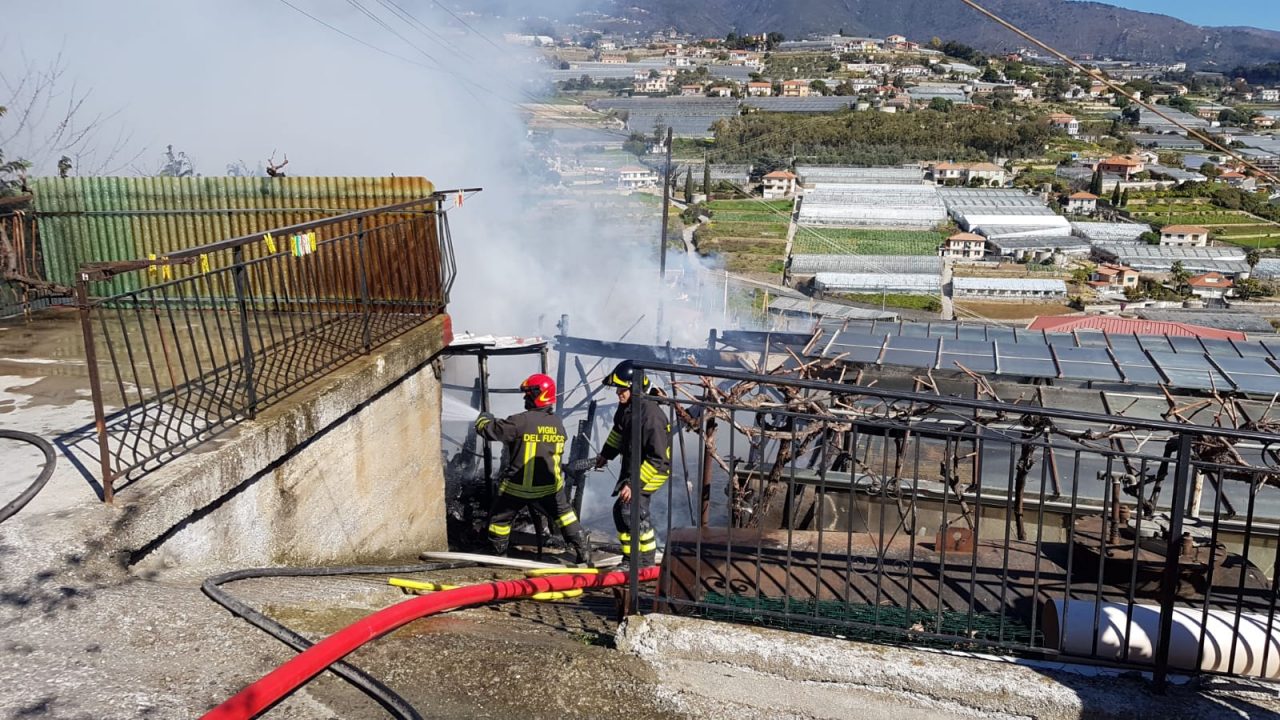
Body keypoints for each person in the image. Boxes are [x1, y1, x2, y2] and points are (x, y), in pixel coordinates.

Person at [476, 373, 591, 564]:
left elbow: (491, 431)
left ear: (539, 394)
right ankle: (583, 550)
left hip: (517, 487)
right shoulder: (557, 423)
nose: (524, 397)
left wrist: (483, 419)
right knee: (566, 516)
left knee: (499, 520)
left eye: (528, 393)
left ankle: (498, 557)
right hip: (550, 488)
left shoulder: (520, 421)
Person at [594, 360, 672, 570]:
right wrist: (606, 454)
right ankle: (631, 560)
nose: (618, 393)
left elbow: (657, 458)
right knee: (622, 511)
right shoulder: (627, 408)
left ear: (634, 387)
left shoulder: (651, 416)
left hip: (654, 469)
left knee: (630, 510)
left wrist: (633, 484)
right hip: (636, 465)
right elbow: (618, 432)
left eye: (622, 389)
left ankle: (644, 563)